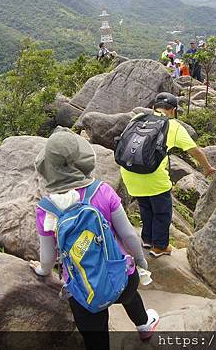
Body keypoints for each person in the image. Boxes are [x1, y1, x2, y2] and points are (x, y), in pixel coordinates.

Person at [30, 128, 159, 350]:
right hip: (120, 275)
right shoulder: (102, 191)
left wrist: (42, 271)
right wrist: (140, 260)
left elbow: (49, 257)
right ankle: (144, 325)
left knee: (95, 337)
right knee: (130, 296)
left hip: (82, 289)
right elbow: (128, 234)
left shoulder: (46, 209)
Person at [120, 93, 216, 257]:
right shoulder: (173, 126)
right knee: (162, 212)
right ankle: (159, 246)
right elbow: (194, 150)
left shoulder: (139, 117)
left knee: (145, 207)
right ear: (173, 110)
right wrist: (207, 168)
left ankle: (147, 239)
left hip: (129, 172)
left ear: (154, 107)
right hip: (153, 178)